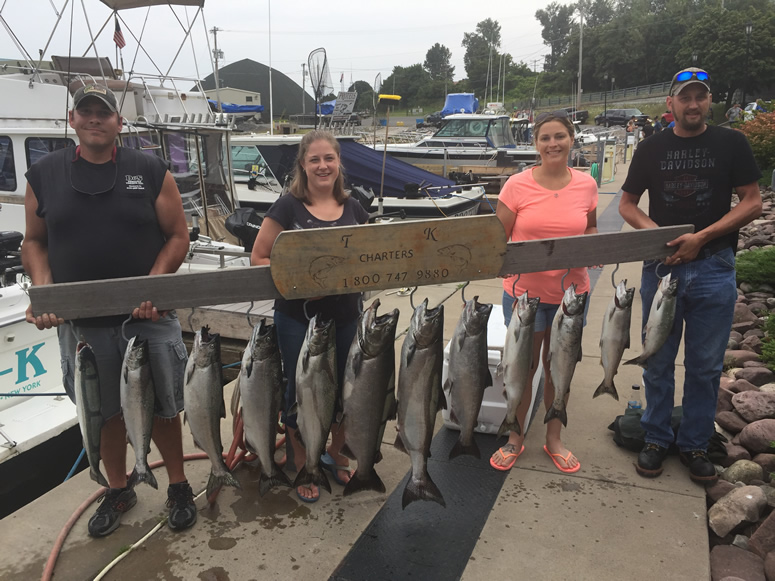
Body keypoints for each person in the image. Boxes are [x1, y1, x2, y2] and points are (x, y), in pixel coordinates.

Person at [22, 84, 197, 536]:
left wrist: (153, 287)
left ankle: (177, 483)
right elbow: (35, 242)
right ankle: (119, 487)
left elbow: (179, 236)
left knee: (162, 406)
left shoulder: (151, 169)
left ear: (119, 123)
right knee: (103, 413)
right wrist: (46, 295)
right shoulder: (42, 175)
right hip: (81, 323)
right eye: (87, 112)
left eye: (105, 112)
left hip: (148, 317)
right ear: (72, 119)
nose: (95, 119)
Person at [619, 67, 762, 484]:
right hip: (663, 268)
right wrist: (663, 238)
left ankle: (696, 443)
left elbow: (751, 201)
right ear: (671, 104)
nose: (693, 104)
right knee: (657, 361)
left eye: (700, 97)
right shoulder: (650, 147)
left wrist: (701, 238)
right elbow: (628, 204)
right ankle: (656, 437)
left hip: (715, 265)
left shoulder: (731, 143)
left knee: (704, 366)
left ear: (710, 100)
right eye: (685, 97)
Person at [250, 130, 369, 502]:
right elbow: (259, 258)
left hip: (346, 315)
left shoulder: (355, 208)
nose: (322, 166)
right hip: (297, 318)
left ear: (339, 163)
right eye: (314, 159)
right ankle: (304, 462)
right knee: (299, 390)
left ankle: (336, 453)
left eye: (329, 159)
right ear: (303, 164)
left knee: (344, 388)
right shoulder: (287, 207)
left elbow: (373, 258)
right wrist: (301, 285)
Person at [490, 110, 598, 474]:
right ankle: (515, 436)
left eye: (559, 137)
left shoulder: (587, 184)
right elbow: (497, 239)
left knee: (558, 370)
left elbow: (590, 230)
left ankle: (554, 438)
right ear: (535, 144)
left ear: (571, 139)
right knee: (523, 366)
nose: (553, 144)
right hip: (524, 298)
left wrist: (594, 251)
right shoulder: (517, 185)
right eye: (545, 138)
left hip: (571, 296)